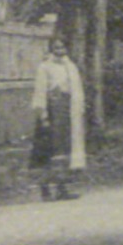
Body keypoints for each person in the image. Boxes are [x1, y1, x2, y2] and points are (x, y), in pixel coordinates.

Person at [29, 37, 85, 201]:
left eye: (62, 48)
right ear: (51, 49)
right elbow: (40, 91)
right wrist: (43, 114)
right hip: (51, 110)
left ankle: (62, 187)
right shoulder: (45, 67)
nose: (60, 51)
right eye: (56, 48)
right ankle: (45, 189)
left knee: (63, 149)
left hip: (66, 111)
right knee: (47, 150)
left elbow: (76, 90)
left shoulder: (71, 67)